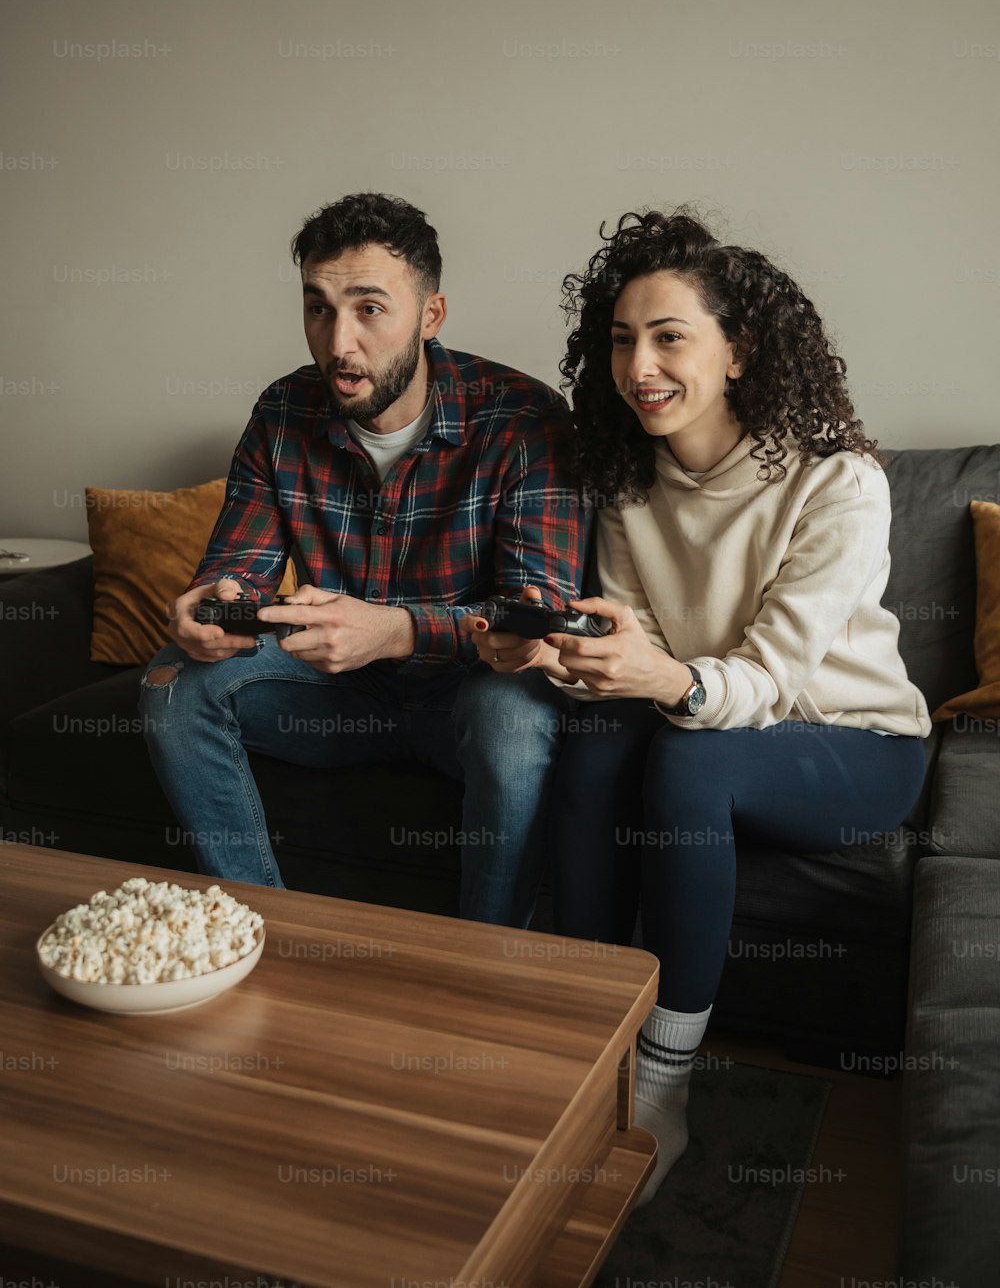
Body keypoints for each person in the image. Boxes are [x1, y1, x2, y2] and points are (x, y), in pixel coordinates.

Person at [462, 208, 930, 1205]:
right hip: (707, 711)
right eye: (623, 339)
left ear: (738, 352)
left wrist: (660, 678)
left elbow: (762, 679)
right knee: (591, 735)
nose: (639, 365)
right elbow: (630, 650)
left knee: (688, 759)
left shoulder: (837, 484)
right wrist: (548, 649)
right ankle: (588, 1036)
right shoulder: (629, 482)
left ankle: (662, 1088)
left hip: (851, 744)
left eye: (669, 336)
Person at [140, 192, 585, 927]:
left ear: (431, 316)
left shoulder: (524, 417)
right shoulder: (283, 413)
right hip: (334, 696)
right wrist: (207, 611)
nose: (339, 342)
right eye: (318, 308)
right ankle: (257, 928)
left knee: (513, 714)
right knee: (170, 683)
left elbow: (535, 614)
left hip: (467, 697)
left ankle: (491, 960)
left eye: (369, 309)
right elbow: (238, 571)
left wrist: (396, 630)